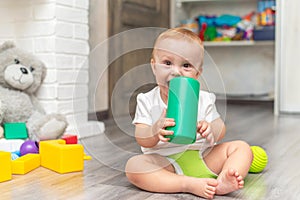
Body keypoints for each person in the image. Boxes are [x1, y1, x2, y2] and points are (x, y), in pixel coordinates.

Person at [125, 27, 253, 199]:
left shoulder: (204, 98)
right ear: (154, 66)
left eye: (186, 65)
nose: (176, 72)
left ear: (197, 74)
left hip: (203, 156)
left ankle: (224, 180)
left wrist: (210, 129)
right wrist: (154, 131)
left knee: (242, 148)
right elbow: (141, 137)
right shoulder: (147, 100)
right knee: (134, 166)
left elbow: (219, 128)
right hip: (165, 161)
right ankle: (186, 184)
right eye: (167, 63)